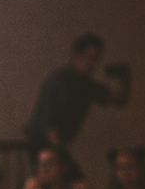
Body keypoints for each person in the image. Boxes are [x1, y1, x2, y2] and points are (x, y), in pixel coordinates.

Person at [22, 32, 131, 180]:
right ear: (76, 56)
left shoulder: (88, 86)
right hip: (41, 145)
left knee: (72, 187)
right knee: (72, 185)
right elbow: (49, 125)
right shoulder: (58, 81)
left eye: (97, 58)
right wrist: (60, 155)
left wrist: (125, 78)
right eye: (89, 57)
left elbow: (120, 100)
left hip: (56, 146)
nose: (93, 64)